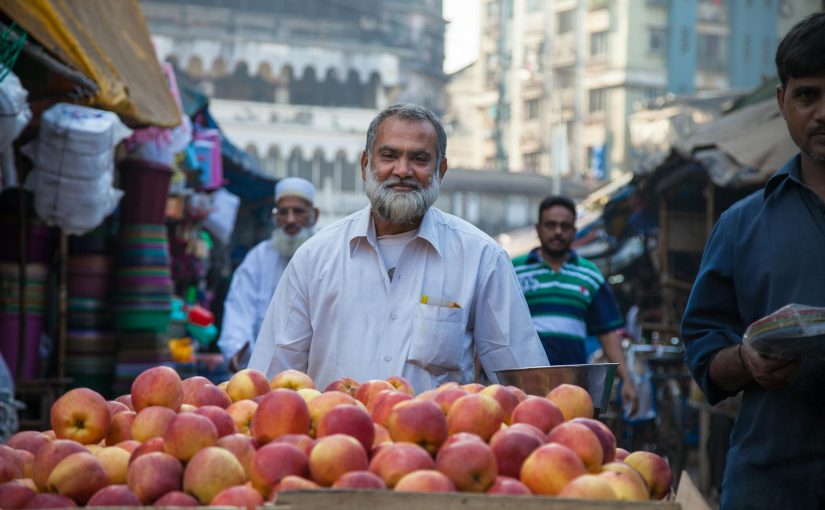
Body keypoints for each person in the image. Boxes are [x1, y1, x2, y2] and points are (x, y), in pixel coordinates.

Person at [249, 103, 549, 391]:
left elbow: (525, 386)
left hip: (437, 443)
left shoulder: (482, 258)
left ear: (440, 170)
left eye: (419, 159)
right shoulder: (315, 258)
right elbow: (272, 379)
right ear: (366, 165)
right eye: (389, 155)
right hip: (334, 441)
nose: (402, 170)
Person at [681, 13, 825, 509]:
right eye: (808, 95)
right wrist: (746, 359)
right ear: (782, 102)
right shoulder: (742, 225)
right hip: (771, 483)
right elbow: (704, 354)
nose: (823, 112)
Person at [513, 195, 638, 413]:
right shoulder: (513, 270)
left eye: (565, 226)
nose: (558, 232)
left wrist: (627, 380)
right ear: (538, 228)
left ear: (574, 230)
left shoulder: (589, 274)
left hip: (574, 388)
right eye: (551, 225)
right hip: (524, 387)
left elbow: (608, 333)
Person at [217, 177, 319, 372]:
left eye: (298, 211)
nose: (290, 220)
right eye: (283, 212)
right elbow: (239, 308)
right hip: (260, 371)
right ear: (275, 216)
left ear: (313, 214)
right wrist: (236, 349)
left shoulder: (326, 256)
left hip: (313, 373)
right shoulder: (258, 258)